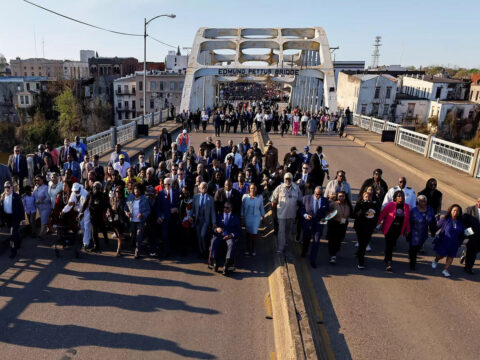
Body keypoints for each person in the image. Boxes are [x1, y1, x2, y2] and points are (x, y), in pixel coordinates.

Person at [377, 190, 411, 272]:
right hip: (389, 228)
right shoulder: (390, 205)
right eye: (399, 196)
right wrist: (377, 224)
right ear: (395, 198)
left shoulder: (406, 206)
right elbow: (382, 214)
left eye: (402, 196)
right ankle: (389, 263)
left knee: (391, 244)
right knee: (390, 245)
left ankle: (386, 257)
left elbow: (407, 219)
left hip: (398, 229)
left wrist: (408, 230)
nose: (401, 198)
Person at [272, 172, 303, 254]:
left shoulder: (297, 188)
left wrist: (298, 214)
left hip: (291, 215)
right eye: (286, 179)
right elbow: (273, 201)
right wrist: (274, 213)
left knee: (288, 230)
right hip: (281, 214)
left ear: (292, 180)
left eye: (289, 179)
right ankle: (280, 248)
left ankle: (284, 242)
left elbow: (300, 201)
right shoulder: (279, 188)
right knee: (281, 231)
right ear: (284, 179)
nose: (288, 180)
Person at [432, 204, 464, 277]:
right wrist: (432, 228)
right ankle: (436, 260)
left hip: (454, 243)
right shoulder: (445, 219)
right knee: (441, 255)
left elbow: (462, 233)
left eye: (457, 211)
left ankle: (445, 270)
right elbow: (436, 227)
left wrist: (461, 241)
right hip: (444, 241)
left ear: (459, 212)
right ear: (451, 211)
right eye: (454, 210)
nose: (456, 212)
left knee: (451, 257)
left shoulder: (460, 222)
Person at [210, 201, 241, 275]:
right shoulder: (219, 215)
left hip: (229, 236)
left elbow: (238, 230)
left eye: (227, 208)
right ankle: (215, 263)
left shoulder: (235, 217)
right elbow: (214, 226)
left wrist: (232, 235)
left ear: (231, 208)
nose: (225, 209)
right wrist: (216, 229)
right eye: (224, 207)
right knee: (213, 241)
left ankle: (226, 265)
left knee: (231, 244)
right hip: (220, 235)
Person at [301, 186, 329, 268]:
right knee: (306, 239)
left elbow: (327, 211)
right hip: (308, 223)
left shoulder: (325, 200)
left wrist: (325, 218)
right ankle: (304, 251)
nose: (319, 196)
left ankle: (313, 260)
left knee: (316, 242)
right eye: (317, 194)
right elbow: (301, 209)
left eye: (320, 194)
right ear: (314, 192)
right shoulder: (306, 198)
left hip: (319, 224)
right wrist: (305, 215)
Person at [408, 195, 437, 270]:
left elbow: (433, 221)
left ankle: (412, 254)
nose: (423, 202)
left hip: (423, 234)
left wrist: (433, 231)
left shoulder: (430, 210)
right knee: (413, 249)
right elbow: (409, 222)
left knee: (418, 247)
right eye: (421, 201)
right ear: (418, 202)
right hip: (414, 233)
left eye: (424, 200)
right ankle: (412, 263)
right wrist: (407, 232)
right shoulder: (413, 211)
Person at [80, 182, 110, 252]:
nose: (96, 189)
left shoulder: (103, 195)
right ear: (93, 188)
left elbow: (107, 205)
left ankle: (106, 237)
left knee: (102, 228)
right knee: (94, 231)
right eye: (95, 187)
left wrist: (106, 214)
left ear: (100, 188)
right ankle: (96, 246)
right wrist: (81, 212)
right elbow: (85, 204)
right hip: (93, 215)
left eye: (98, 187)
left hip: (101, 215)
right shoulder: (90, 194)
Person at [353, 191, 379, 269]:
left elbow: (376, 216)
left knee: (365, 243)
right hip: (360, 227)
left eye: (369, 197)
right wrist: (362, 209)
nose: (368, 198)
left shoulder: (374, 205)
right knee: (362, 243)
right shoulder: (359, 204)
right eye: (366, 197)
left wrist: (375, 226)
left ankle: (359, 253)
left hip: (369, 228)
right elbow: (355, 215)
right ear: (363, 197)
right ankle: (361, 262)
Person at [63, 182, 91, 250]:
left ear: (79, 188)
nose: (75, 192)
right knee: (82, 226)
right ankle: (87, 238)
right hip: (79, 211)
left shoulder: (85, 193)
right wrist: (63, 211)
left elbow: (85, 205)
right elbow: (70, 204)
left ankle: (86, 243)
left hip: (86, 211)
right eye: (74, 191)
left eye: (76, 190)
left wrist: (81, 212)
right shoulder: (73, 193)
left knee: (86, 226)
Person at [326, 191, 352, 264]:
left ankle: (335, 251)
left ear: (345, 197)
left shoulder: (348, 205)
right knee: (333, 240)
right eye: (340, 196)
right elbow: (328, 214)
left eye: (343, 196)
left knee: (340, 239)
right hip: (334, 224)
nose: (341, 197)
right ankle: (332, 255)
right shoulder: (333, 204)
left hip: (343, 224)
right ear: (337, 197)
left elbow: (351, 214)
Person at [126, 183, 151, 259]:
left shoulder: (145, 199)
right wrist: (127, 213)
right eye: (135, 189)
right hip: (132, 221)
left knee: (139, 235)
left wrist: (142, 214)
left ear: (141, 190)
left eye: (138, 189)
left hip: (140, 221)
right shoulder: (130, 197)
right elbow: (125, 207)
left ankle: (137, 251)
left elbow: (148, 210)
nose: (136, 190)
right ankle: (133, 246)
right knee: (133, 235)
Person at [1, 181, 25, 258]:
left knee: (12, 235)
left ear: (12, 187)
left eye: (8, 187)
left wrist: (23, 219)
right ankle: (19, 240)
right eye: (5, 187)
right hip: (8, 218)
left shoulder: (16, 196)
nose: (6, 188)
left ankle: (13, 252)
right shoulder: (2, 196)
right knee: (15, 233)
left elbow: (21, 208)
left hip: (15, 217)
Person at [192, 182, 216, 258]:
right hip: (197, 219)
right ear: (199, 188)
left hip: (205, 220)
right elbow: (193, 209)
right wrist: (192, 217)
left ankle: (205, 251)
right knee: (199, 237)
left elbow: (212, 211)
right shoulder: (195, 197)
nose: (204, 189)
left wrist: (214, 222)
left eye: (205, 187)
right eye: (202, 187)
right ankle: (201, 251)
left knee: (202, 235)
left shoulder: (210, 198)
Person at [157, 177, 179, 258]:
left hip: (173, 218)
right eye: (165, 184)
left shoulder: (176, 192)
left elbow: (179, 204)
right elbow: (158, 207)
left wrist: (176, 209)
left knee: (172, 234)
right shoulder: (160, 193)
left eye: (168, 184)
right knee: (164, 235)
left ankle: (172, 250)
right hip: (164, 218)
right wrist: (159, 216)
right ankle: (166, 252)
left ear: (171, 184)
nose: (166, 185)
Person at [240, 184, 265, 256]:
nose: (252, 190)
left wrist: (263, 216)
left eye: (254, 188)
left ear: (256, 189)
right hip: (247, 216)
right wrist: (242, 216)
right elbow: (242, 207)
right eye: (251, 188)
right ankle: (247, 249)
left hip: (256, 217)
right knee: (248, 233)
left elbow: (261, 207)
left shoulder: (259, 197)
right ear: (249, 189)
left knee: (254, 233)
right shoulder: (245, 197)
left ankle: (253, 249)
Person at [461, 197, 480, 274]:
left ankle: (465, 254)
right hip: (472, 235)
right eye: (479, 201)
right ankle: (468, 267)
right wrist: (465, 232)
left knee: (476, 251)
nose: (479, 203)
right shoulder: (469, 209)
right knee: (472, 252)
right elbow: (463, 221)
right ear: (476, 201)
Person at [107, 186, 128, 256]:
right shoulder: (112, 199)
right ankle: (120, 246)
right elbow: (109, 209)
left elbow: (127, 209)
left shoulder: (125, 200)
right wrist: (108, 213)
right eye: (116, 191)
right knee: (118, 235)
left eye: (119, 192)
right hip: (114, 220)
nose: (117, 193)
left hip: (122, 220)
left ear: (122, 192)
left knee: (119, 234)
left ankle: (118, 250)